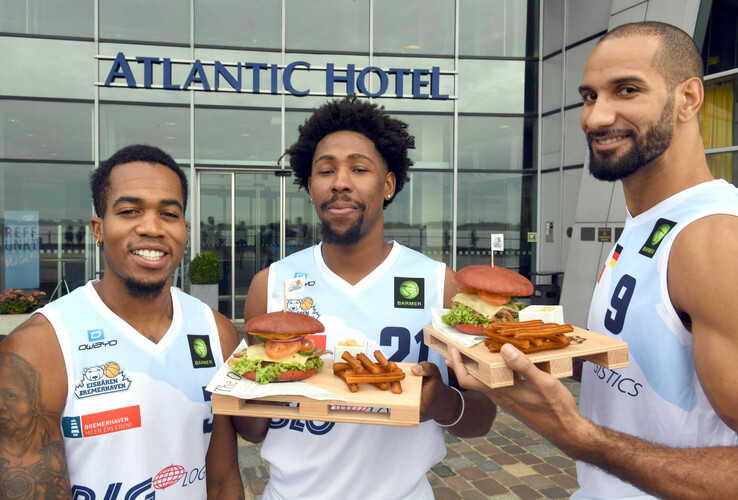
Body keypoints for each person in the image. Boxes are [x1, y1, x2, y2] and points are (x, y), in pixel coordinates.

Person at [448, 21, 738, 499]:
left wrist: (576, 436)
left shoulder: (714, 239)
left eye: (627, 90)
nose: (597, 118)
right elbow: (642, 369)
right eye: (589, 96)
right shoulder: (644, 222)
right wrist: (541, 364)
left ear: (688, 99)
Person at [241, 95, 496, 500]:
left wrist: (442, 403)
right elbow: (252, 429)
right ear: (310, 188)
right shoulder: (270, 284)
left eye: (359, 169)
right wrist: (252, 385)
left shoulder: (438, 284)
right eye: (325, 171)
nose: (340, 182)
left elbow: (481, 418)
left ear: (389, 184)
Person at [0, 144, 245, 499]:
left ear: (185, 230)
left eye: (169, 214)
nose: (152, 227)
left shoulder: (216, 333)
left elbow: (223, 482)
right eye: (130, 211)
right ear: (98, 229)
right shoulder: (39, 347)